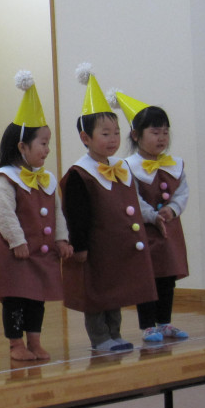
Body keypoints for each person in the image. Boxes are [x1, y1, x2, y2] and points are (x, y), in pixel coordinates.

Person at [61, 64, 156, 353]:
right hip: (95, 247)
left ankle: (115, 333)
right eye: (105, 133)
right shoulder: (79, 173)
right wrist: (79, 246)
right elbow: (76, 214)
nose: (113, 139)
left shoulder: (121, 167)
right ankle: (100, 337)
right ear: (85, 138)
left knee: (115, 291)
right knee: (96, 293)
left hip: (117, 249)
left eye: (116, 132)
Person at [0, 71, 72, 361]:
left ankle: (35, 341)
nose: (47, 150)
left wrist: (61, 238)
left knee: (37, 298)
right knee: (16, 298)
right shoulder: (5, 179)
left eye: (48, 143)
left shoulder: (46, 179)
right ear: (22, 147)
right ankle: (15, 344)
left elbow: (57, 211)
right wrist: (17, 240)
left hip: (41, 253)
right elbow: (3, 212)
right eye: (42, 143)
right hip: (18, 253)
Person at [114, 90, 189, 343]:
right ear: (136, 135)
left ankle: (164, 322)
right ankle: (147, 325)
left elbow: (182, 193)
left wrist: (173, 209)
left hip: (169, 230)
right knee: (146, 277)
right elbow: (132, 198)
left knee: (167, 276)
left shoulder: (175, 164)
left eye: (165, 132)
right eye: (155, 132)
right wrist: (152, 215)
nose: (162, 138)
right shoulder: (127, 167)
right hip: (144, 231)